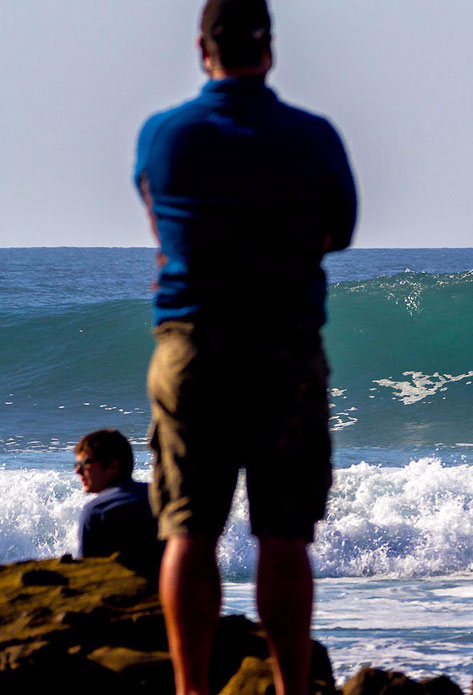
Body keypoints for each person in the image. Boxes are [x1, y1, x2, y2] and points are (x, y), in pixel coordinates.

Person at [133, 1, 356, 694]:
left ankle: (191, 689)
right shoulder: (312, 137)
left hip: (190, 346)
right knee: (283, 533)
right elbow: (338, 231)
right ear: (271, 50)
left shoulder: (163, 136)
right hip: (283, 346)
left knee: (187, 530)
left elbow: (160, 222)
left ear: (204, 48)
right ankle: (292, 689)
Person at [74, 429, 164, 578]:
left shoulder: (97, 511)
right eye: (77, 464)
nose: (78, 470)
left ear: (113, 467)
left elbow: (87, 575)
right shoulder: (162, 497)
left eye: (86, 463)